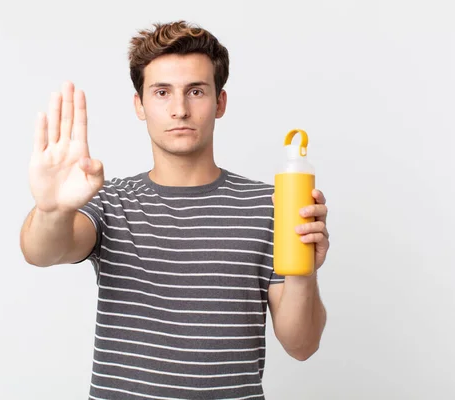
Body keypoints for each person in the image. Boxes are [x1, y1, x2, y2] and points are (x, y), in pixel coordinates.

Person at [20, 20, 330, 400]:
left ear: (220, 102)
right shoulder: (111, 200)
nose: (180, 109)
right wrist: (51, 209)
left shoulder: (272, 206)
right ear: (140, 104)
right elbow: (42, 251)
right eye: (162, 92)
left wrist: (302, 274)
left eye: (196, 91)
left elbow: (302, 346)